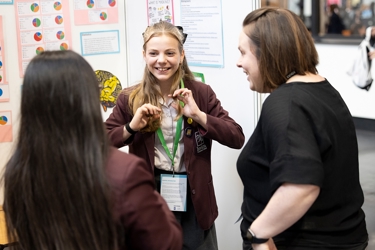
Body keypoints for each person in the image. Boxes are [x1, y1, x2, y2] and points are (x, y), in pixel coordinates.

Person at [2, 50, 182, 250]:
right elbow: (166, 243)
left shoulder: (17, 170)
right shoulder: (124, 172)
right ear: (88, 99)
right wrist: (152, 196)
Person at [236, 7, 368, 250]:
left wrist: (258, 234)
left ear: (267, 53)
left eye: (243, 53)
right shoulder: (321, 89)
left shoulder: (286, 103)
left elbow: (301, 187)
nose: (239, 62)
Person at [105, 21, 245, 249]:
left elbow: (236, 137)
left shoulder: (200, 93)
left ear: (181, 55)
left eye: (170, 53)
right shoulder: (129, 98)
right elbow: (101, 141)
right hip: (150, 193)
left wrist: (199, 115)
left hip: (194, 192)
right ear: (144, 55)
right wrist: (131, 127)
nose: (162, 60)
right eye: (154, 53)